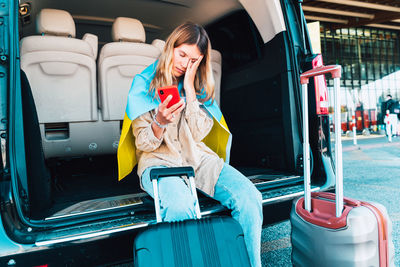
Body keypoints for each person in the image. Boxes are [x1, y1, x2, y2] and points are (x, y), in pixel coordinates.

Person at [117, 22, 263, 267]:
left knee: (250, 197)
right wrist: (159, 122)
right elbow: (143, 143)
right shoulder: (144, 84)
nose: (185, 63)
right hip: (159, 162)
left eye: (193, 60)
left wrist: (190, 91)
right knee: (180, 208)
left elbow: (198, 134)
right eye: (182, 54)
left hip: (198, 158)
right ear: (170, 48)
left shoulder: (199, 87)